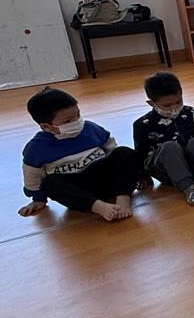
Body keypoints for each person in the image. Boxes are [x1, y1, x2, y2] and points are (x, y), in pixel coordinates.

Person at [20, 87, 136, 221]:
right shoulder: (36, 148)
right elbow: (33, 177)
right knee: (49, 183)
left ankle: (123, 200)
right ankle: (98, 207)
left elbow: (113, 152)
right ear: (46, 126)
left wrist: (135, 176)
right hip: (78, 191)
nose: (76, 121)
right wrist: (38, 199)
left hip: (106, 180)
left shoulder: (91, 128)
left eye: (78, 115)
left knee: (123, 152)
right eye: (68, 121)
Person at [134, 71, 194, 206]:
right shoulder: (143, 124)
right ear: (151, 103)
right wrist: (143, 176)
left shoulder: (189, 112)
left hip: (193, 165)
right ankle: (188, 188)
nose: (174, 108)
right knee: (170, 146)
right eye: (167, 105)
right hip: (168, 170)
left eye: (178, 102)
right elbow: (141, 154)